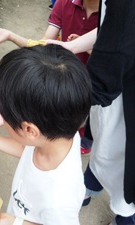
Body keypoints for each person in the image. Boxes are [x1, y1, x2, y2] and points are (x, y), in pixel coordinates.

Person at [0, 45, 92, 225]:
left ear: (29, 130)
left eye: (5, 114)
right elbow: (27, 150)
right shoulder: (63, 130)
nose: (1, 114)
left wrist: (16, 223)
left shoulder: (59, 198)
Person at [48, 0, 135, 224]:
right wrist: (69, 47)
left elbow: (104, 79)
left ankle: (125, 217)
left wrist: (48, 107)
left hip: (121, 89)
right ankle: (90, 186)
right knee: (103, 142)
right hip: (115, 83)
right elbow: (112, 27)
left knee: (121, 153)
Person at [0, 0, 99, 154]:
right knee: (61, 121)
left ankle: (87, 140)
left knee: (93, 112)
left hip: (94, 78)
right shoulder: (64, 3)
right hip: (61, 77)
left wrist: (86, 48)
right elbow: (42, 45)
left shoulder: (112, 14)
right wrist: (10, 36)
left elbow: (116, 60)